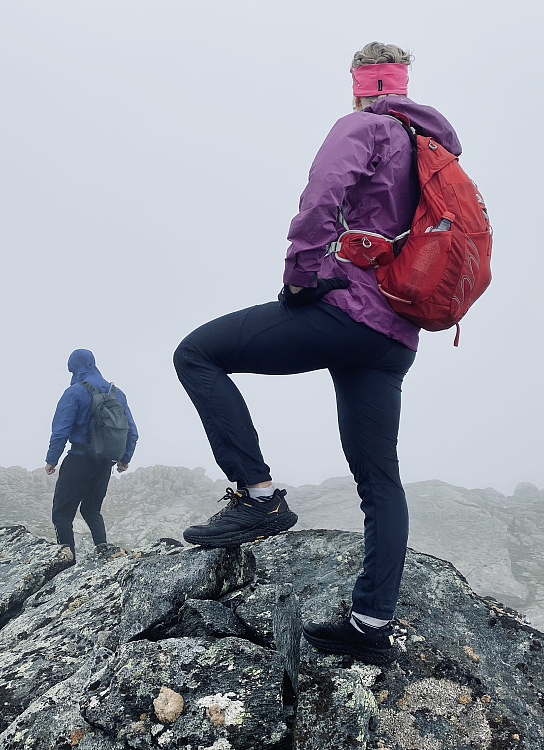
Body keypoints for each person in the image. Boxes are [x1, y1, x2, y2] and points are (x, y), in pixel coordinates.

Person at [173, 42, 462, 664]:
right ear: (405, 84)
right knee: (379, 479)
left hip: (346, 309)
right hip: (395, 337)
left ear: (359, 85)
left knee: (196, 353)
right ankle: (370, 626)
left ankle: (258, 498)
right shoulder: (431, 150)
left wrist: (302, 276)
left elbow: (322, 196)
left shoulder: (365, 126)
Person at [45, 349, 138, 556]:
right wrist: (125, 458)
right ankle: (104, 552)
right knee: (91, 510)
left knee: (62, 514)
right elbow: (132, 430)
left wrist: (52, 459)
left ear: (75, 368)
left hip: (78, 461)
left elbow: (61, 429)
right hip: (105, 463)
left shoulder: (75, 392)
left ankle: (66, 561)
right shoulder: (117, 393)